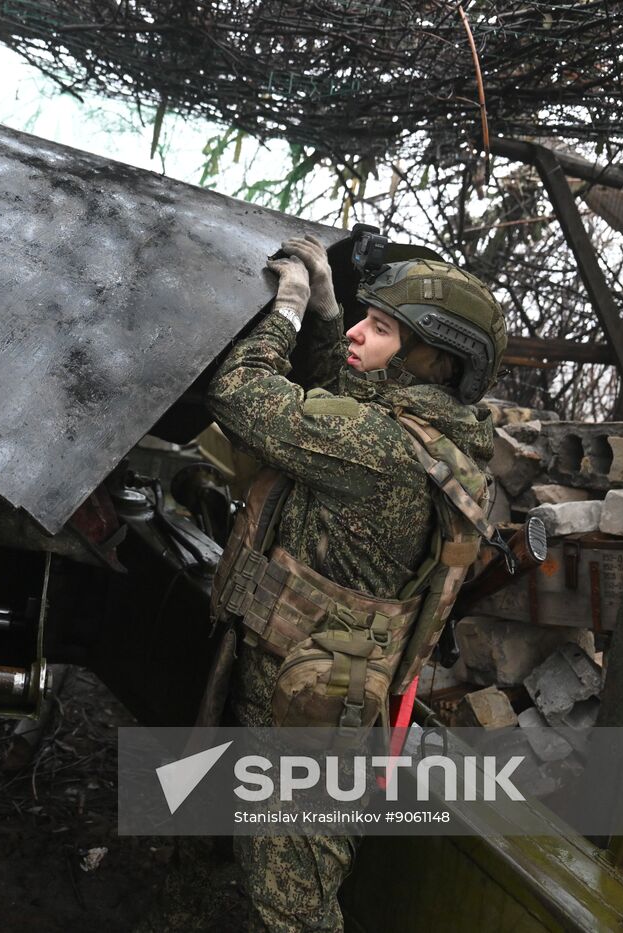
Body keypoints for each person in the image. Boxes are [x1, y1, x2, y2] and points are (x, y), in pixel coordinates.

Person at [206, 235, 508, 931]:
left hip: (305, 707)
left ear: (432, 359)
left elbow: (240, 394)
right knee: (248, 865)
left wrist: (285, 312)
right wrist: (326, 315)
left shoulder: (381, 449)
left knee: (293, 903)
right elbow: (340, 402)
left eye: (381, 328)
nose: (358, 334)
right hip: (313, 684)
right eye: (364, 320)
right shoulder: (430, 440)